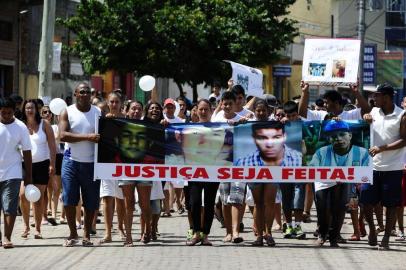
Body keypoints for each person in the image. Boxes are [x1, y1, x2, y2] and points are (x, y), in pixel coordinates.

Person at [309, 120, 370, 247]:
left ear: (350, 135)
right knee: (322, 209)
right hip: (324, 184)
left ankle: (334, 237)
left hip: (347, 184)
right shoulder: (321, 152)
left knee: (340, 210)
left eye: (342, 134)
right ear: (329, 138)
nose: (338, 138)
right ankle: (322, 234)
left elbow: (366, 174)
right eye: (333, 136)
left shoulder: (362, 153)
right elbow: (311, 171)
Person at [361, 83, 406, 249]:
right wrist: (365, 116)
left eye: (377, 95)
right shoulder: (374, 112)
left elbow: (404, 140)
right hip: (371, 167)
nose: (374, 98)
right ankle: (372, 230)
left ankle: (387, 236)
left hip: (393, 168)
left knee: (391, 205)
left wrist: (382, 148)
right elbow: (365, 116)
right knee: (365, 201)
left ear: (386, 97)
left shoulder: (402, 115)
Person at [59, 82, 101, 247]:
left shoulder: (98, 112)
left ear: (91, 95)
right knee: (69, 199)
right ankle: (72, 234)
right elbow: (62, 135)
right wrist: (87, 137)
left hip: (92, 163)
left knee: (91, 201)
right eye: (81, 92)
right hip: (71, 162)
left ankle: (86, 235)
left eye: (87, 92)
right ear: (75, 94)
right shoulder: (67, 111)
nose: (84, 94)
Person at [238, 98, 278, 246]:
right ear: (254, 111)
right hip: (253, 168)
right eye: (258, 110)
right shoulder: (247, 124)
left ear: (268, 111)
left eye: (264, 110)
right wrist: (239, 124)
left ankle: (269, 233)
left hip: (272, 168)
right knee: (258, 203)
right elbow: (231, 127)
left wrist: (287, 121)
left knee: (270, 202)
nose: (261, 113)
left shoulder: (276, 123)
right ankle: (259, 236)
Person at [20, 100, 56, 239]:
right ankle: (25, 226)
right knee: (23, 195)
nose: (30, 110)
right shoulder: (20, 125)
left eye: (32, 108)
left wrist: (52, 164)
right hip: (24, 164)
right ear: (24, 110)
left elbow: (52, 145)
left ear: (36, 109)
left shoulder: (44, 124)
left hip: (42, 164)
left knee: (38, 198)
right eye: (27, 108)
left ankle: (38, 228)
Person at [0, 97, 32, 249]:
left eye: (9, 113)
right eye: (3, 113)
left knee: (10, 206)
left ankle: (7, 236)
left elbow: (27, 152)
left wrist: (29, 177)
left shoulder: (20, 127)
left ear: (14, 112)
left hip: (13, 172)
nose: (6, 115)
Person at [99, 92, 126, 244]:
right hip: (106, 164)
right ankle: (108, 233)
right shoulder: (102, 121)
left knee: (121, 198)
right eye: (112, 102)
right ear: (108, 103)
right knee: (107, 198)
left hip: (122, 165)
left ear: (121, 103)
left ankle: (121, 228)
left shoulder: (127, 121)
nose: (114, 104)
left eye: (117, 102)